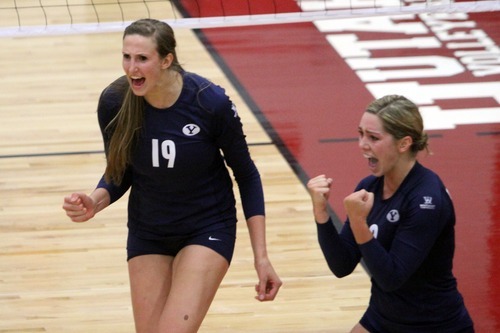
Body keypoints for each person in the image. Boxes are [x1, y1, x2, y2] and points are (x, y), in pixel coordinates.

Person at [62, 18, 281, 333]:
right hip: (148, 229)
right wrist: (94, 202)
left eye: (142, 59)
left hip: (206, 227)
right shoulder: (115, 101)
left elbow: (246, 174)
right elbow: (120, 171)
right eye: (127, 57)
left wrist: (261, 257)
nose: (132, 68)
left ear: (166, 60)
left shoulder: (209, 102)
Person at [307, 95, 474, 333]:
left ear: (404, 143)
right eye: (361, 133)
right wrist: (320, 211)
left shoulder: (427, 199)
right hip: (383, 318)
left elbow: (392, 277)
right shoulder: (371, 186)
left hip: (433, 325)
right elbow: (341, 265)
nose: (362, 144)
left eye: (373, 137)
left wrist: (358, 222)